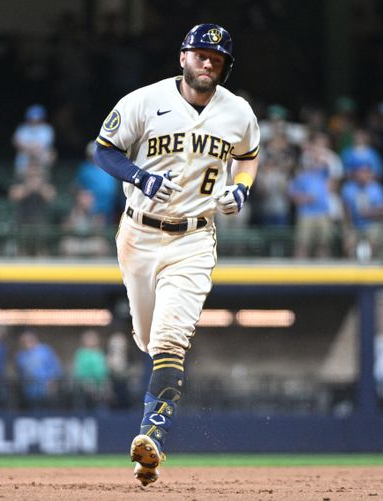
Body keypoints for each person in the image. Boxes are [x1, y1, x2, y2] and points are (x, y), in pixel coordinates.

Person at [93, 23, 259, 486]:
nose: (209, 63)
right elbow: (104, 150)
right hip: (138, 234)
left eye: (218, 59)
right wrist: (141, 176)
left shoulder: (238, 112)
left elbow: (249, 156)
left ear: (224, 68)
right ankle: (154, 411)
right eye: (202, 54)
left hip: (194, 238)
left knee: (170, 340)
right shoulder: (144, 101)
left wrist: (241, 190)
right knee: (146, 338)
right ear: (183, 57)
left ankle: (152, 438)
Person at [14, 330, 62, 410]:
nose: (26, 343)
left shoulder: (45, 351)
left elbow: (56, 368)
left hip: (46, 390)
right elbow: (20, 373)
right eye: (23, 341)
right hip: (29, 393)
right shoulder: (20, 356)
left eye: (29, 340)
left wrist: (53, 383)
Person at [13, 104, 56, 178]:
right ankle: (21, 179)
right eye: (32, 118)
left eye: (37, 119)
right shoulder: (22, 128)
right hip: (25, 154)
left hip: (40, 154)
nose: (34, 121)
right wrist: (30, 150)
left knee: (49, 155)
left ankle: (44, 179)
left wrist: (32, 149)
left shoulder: (47, 129)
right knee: (21, 157)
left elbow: (44, 145)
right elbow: (18, 144)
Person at [72, 329, 109, 410]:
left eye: (94, 339)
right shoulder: (81, 353)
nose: (92, 341)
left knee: (106, 387)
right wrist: (88, 381)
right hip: (85, 384)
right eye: (89, 339)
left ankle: (103, 412)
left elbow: (104, 370)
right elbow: (79, 371)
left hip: (100, 384)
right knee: (89, 386)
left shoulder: (99, 353)